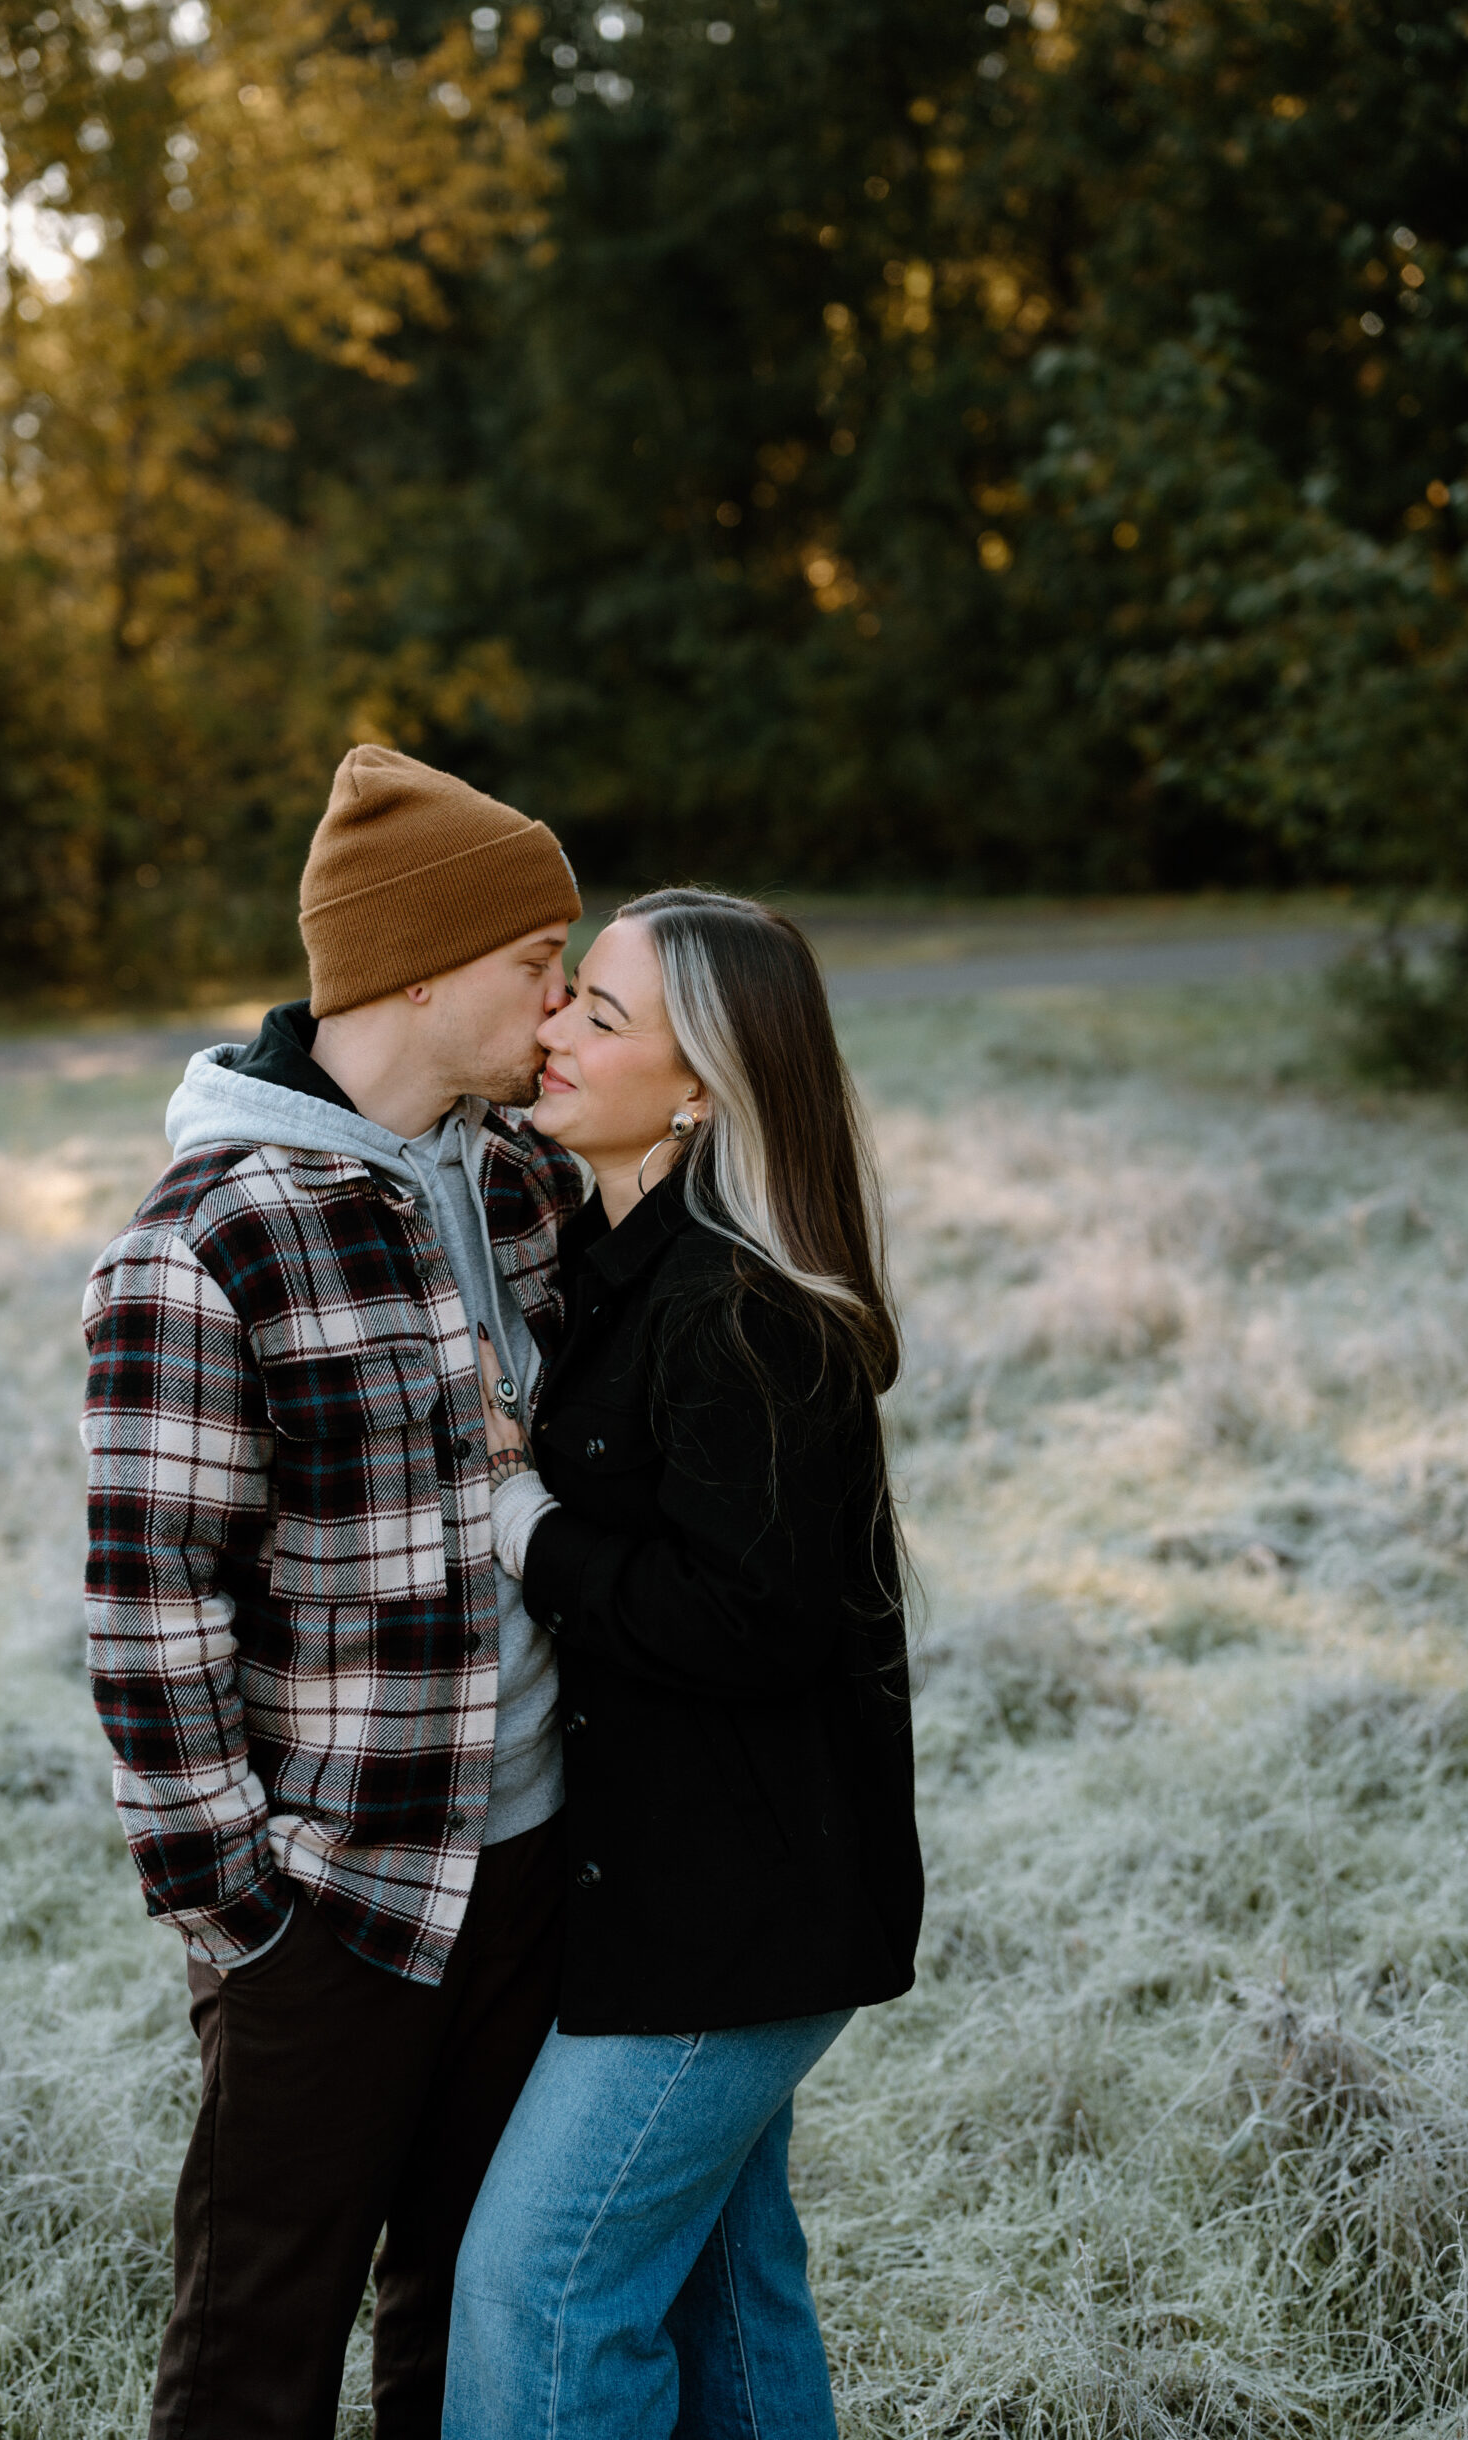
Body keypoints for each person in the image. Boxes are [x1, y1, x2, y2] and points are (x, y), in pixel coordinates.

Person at [80, 744, 586, 2440]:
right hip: (334, 1900)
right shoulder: (206, 1240)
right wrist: (248, 1921)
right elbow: (153, 1625)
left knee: (465, 2308)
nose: (564, 996)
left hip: (531, 1867)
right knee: (256, 2339)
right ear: (420, 966)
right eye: (538, 960)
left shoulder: (521, 1183)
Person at [443, 887, 924, 2440]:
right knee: (728, 2290)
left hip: (736, 1921)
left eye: (602, 1012)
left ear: (703, 1085)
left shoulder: (743, 1309)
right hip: (673, 1899)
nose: (555, 1029)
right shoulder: (617, 1252)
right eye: (564, 993)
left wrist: (528, 1529)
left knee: (542, 2290)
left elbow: (743, 1622)